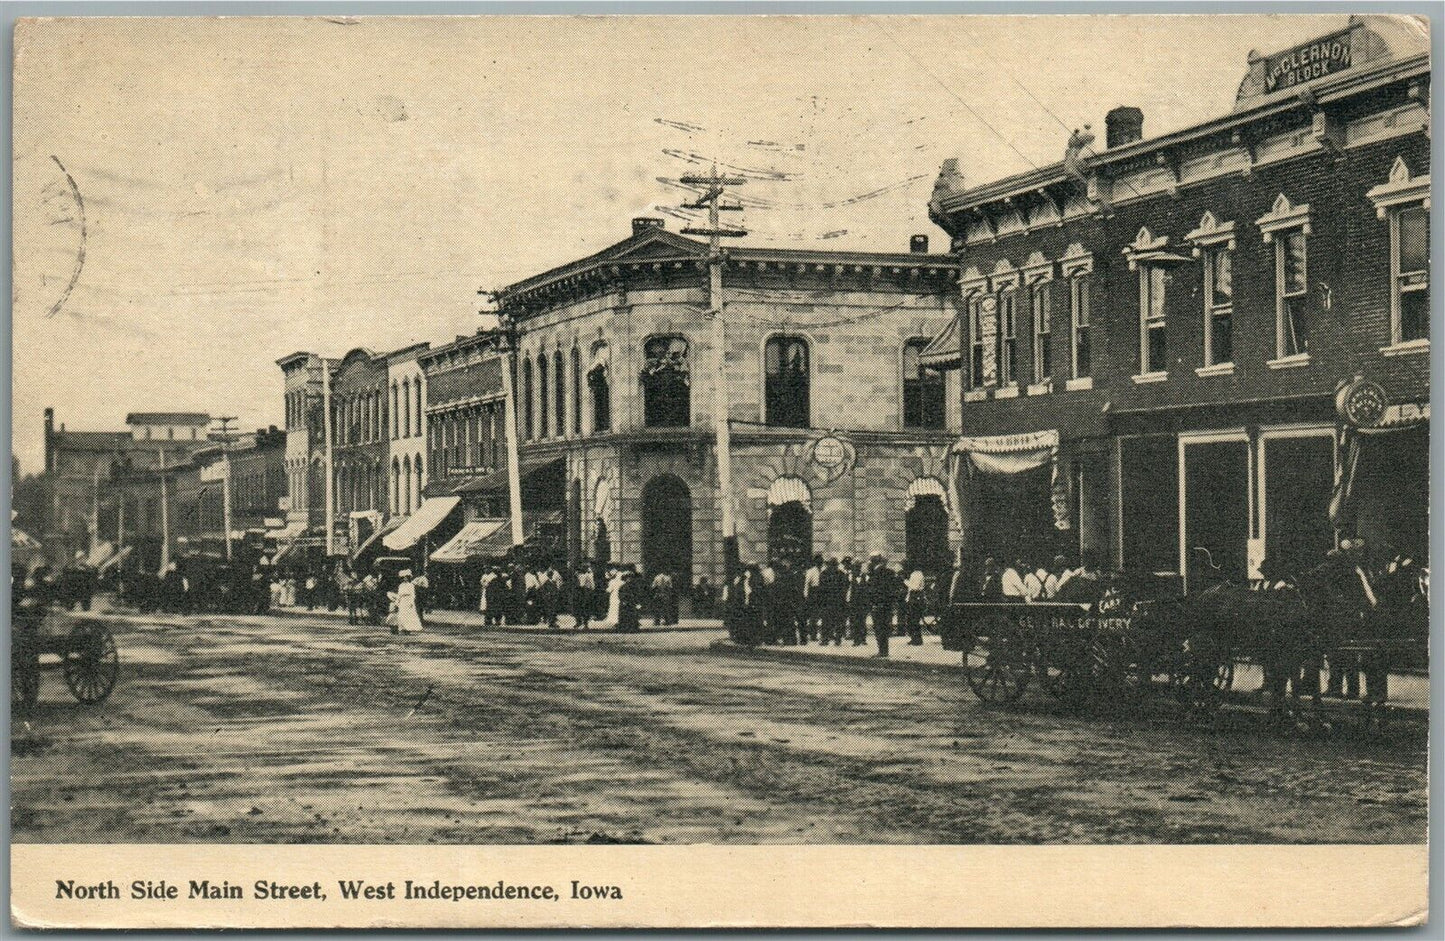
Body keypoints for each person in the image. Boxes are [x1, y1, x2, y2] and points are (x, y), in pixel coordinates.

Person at [867, 555, 899, 657]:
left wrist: (873, 603)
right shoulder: (890, 572)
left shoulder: (875, 574)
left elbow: (873, 590)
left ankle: (882, 651)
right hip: (888, 605)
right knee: (885, 627)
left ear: (873, 562)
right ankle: (885, 650)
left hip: (878, 605)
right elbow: (894, 588)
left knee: (879, 628)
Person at [817, 557, 848, 646]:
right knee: (838, 621)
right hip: (838, 601)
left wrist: (820, 601)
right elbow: (845, 587)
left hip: (827, 601)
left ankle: (825, 639)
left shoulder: (824, 574)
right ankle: (837, 639)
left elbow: (821, 589)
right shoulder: (841, 574)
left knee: (826, 621)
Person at [389, 570, 423, 634]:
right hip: (402, 601)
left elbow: (413, 594)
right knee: (402, 615)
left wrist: (411, 602)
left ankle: (408, 629)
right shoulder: (401, 585)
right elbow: (399, 595)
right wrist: (397, 602)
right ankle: (403, 628)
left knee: (408, 615)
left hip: (408, 600)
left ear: (408, 578)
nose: (405, 579)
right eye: (404, 577)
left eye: (406, 577)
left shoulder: (411, 585)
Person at [902, 563, 927, 645]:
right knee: (913, 619)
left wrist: (905, 581)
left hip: (915, 598)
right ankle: (915, 638)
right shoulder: (917, 574)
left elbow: (915, 587)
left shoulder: (917, 574)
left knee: (914, 619)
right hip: (914, 598)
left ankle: (916, 639)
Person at [574, 565, 596, 630]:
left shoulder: (584, 576)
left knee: (583, 608)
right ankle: (581, 623)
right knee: (583, 608)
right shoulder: (588, 576)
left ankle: (582, 623)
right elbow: (593, 586)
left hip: (583, 593)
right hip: (585, 593)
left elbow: (582, 585)